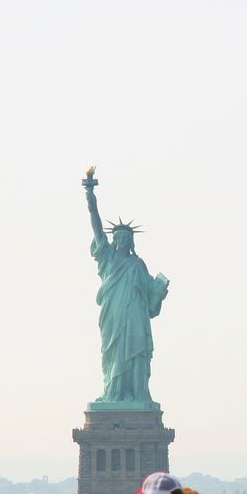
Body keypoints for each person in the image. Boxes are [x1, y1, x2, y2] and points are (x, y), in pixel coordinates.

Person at [83, 167, 170, 403]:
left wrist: (160, 291)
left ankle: (137, 394)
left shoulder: (138, 265)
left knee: (137, 353)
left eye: (125, 238)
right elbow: (97, 227)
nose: (121, 241)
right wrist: (90, 196)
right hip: (114, 315)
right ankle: (114, 393)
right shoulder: (108, 258)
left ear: (130, 241)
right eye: (118, 238)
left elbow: (151, 303)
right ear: (113, 240)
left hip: (135, 317)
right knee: (113, 354)